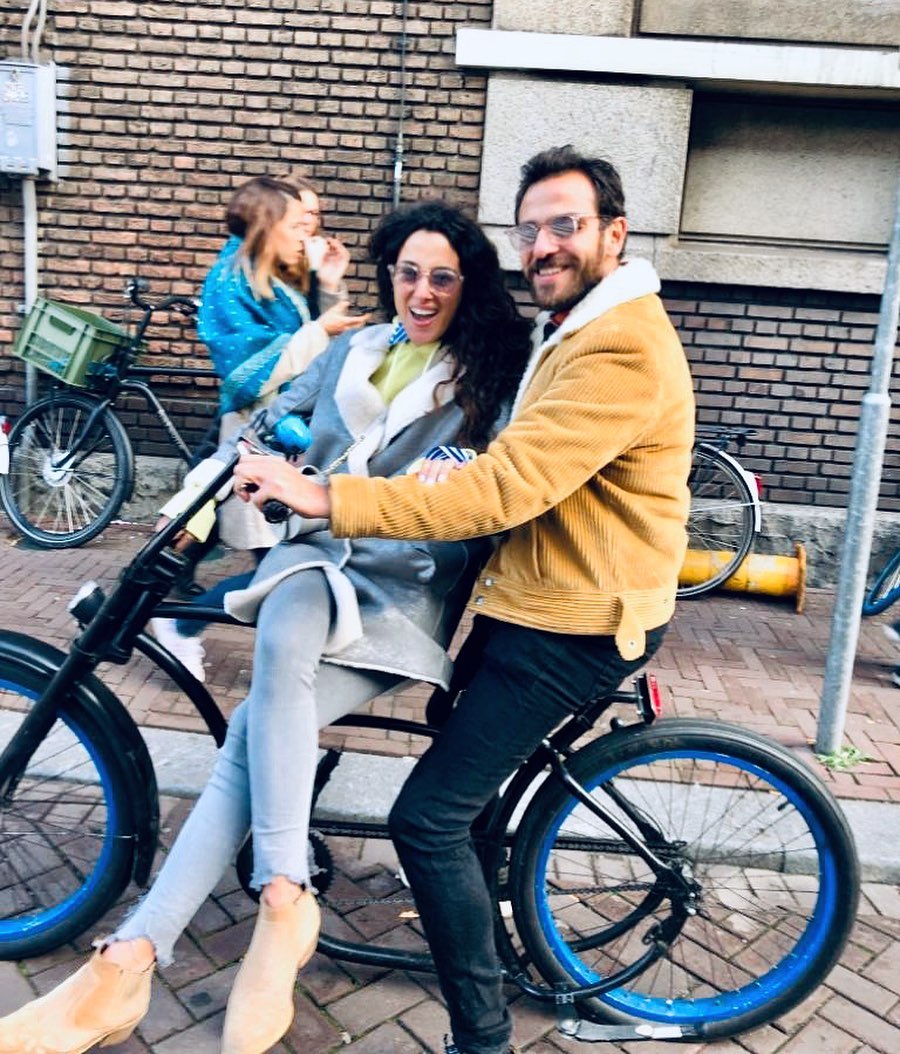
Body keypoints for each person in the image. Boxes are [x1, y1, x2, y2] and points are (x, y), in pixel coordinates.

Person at [0, 200, 531, 1054]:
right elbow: (253, 429)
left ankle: (146, 956)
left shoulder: (489, 379)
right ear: (389, 275)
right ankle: (264, 903)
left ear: (468, 287)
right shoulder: (356, 348)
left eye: (442, 278)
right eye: (408, 273)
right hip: (312, 568)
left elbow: (485, 493)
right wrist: (216, 492)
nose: (422, 293)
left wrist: (414, 477)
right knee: (288, 607)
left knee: (255, 723)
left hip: (400, 601)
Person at [229, 145, 696, 1054]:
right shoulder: (574, 324)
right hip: (533, 602)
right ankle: (485, 943)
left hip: (577, 623)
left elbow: (505, 489)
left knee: (427, 821)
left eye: (565, 225)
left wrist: (328, 498)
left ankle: (481, 1039)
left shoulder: (620, 344)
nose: (544, 246)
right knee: (466, 795)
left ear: (614, 233)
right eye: (530, 230)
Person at [153, 173, 368, 678]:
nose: (308, 232)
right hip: (258, 433)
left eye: (311, 220)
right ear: (267, 226)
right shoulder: (232, 282)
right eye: (298, 223)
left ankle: (152, 616)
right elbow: (245, 374)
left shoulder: (279, 274)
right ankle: (173, 624)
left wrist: (328, 287)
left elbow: (318, 348)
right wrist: (319, 329)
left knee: (257, 549)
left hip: (283, 433)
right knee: (274, 558)